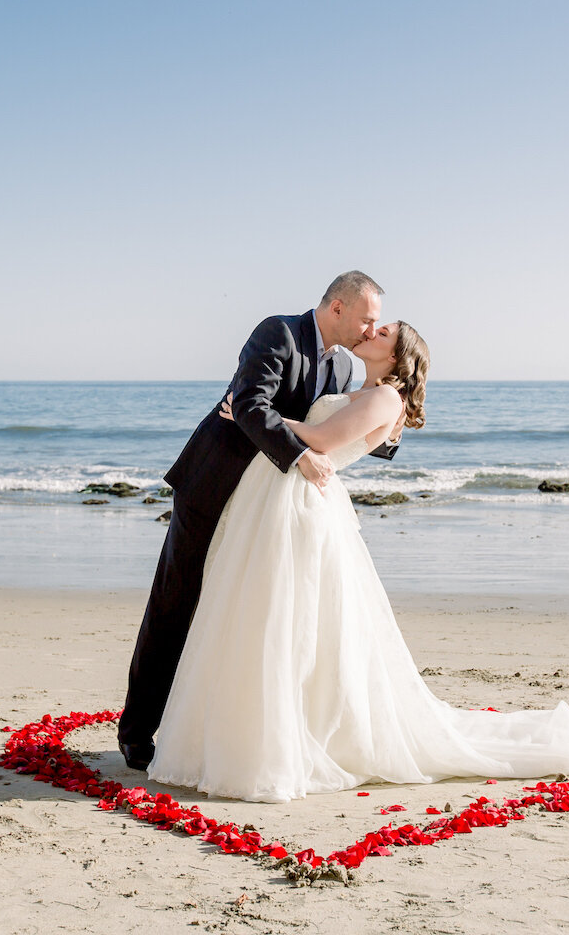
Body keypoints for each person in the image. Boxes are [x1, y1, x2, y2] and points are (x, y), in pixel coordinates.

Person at [146, 320, 569, 802]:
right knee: (268, 620)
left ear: (396, 356)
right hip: (280, 499)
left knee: (283, 619)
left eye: (384, 332)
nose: (372, 330)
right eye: (372, 324)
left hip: (301, 504)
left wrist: (248, 414)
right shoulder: (351, 378)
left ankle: (282, 737)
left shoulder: (384, 397)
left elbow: (322, 438)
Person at [118, 271, 400, 772]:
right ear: (338, 307)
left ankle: (207, 731)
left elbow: (342, 432)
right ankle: (137, 732)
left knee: (233, 615)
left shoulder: (339, 370)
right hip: (211, 487)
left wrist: (394, 411)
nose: (369, 328)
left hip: (262, 511)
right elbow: (248, 406)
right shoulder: (279, 333)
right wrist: (298, 457)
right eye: (367, 318)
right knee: (175, 604)